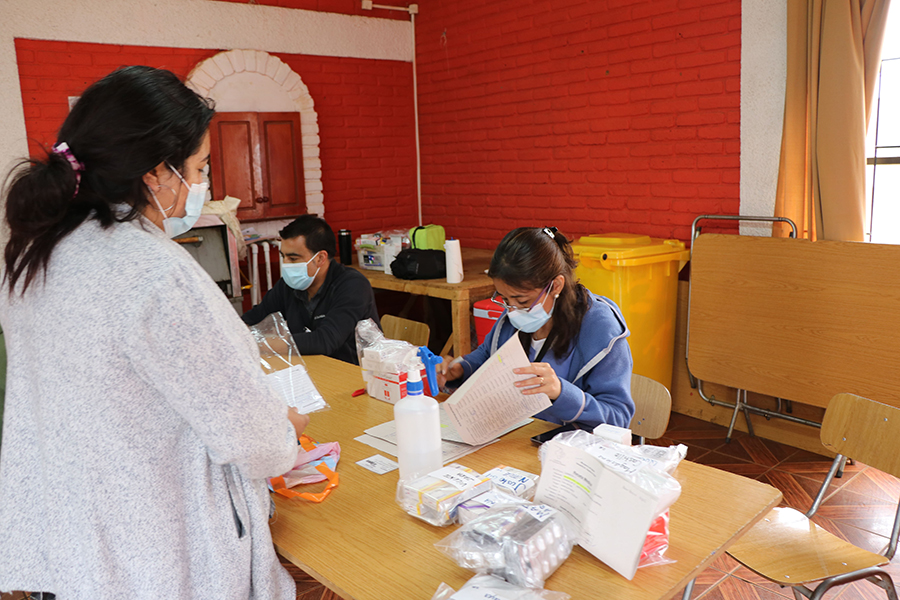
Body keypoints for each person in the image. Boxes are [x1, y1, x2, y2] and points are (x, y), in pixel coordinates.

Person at [0, 66, 307, 599]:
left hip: (76, 538)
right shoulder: (154, 271)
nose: (205, 184)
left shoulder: (35, 254)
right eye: (201, 166)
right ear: (156, 174)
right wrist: (285, 428)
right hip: (159, 548)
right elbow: (254, 441)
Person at [439, 227, 635, 429]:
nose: (512, 310)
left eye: (522, 300)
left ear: (556, 286)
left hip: (568, 448)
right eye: (505, 299)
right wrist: (459, 370)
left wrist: (562, 393)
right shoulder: (513, 318)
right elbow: (486, 358)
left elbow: (618, 417)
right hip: (518, 437)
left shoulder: (600, 328)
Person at [241, 215, 379, 364]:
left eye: (293, 259)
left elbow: (325, 341)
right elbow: (253, 318)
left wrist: (259, 343)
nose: (285, 264)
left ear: (320, 258)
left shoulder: (353, 285)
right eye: (283, 257)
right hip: (311, 368)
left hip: (355, 374)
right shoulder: (288, 286)